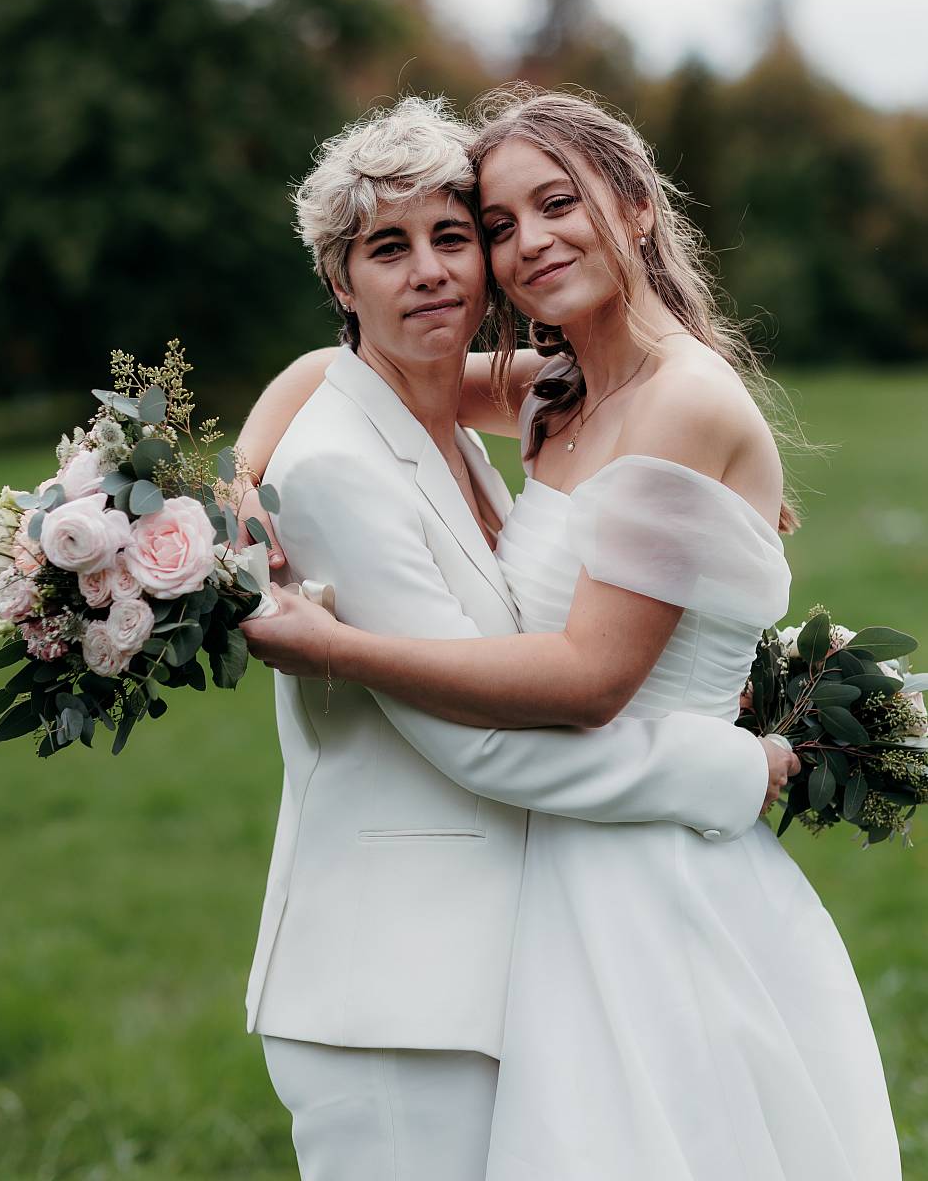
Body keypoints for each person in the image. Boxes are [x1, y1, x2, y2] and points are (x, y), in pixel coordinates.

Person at [242, 88, 901, 1179]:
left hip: (647, 873)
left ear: (636, 205)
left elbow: (590, 679)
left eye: (557, 203)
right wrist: (236, 473)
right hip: (554, 870)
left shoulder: (677, 402)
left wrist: (331, 646)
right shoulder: (562, 388)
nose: (527, 241)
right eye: (499, 223)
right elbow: (343, 368)